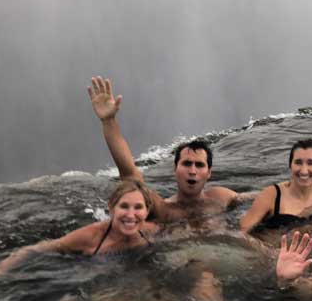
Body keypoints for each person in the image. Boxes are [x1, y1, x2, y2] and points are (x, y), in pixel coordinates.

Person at [88, 76, 248, 223]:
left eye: (199, 165)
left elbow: (262, 199)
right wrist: (109, 121)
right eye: (186, 164)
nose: (192, 170)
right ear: (175, 169)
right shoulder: (162, 209)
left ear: (209, 172)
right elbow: (129, 174)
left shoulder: (222, 198)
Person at [0, 179, 158, 286]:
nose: (131, 215)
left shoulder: (150, 231)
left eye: (138, 208)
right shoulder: (90, 238)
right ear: (111, 209)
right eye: (124, 206)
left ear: (147, 211)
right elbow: (36, 249)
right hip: (84, 272)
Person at [239, 139, 312, 234]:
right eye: (298, 162)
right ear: (290, 165)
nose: (304, 170)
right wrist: (269, 249)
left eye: (311, 163)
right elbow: (240, 234)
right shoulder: (271, 196)